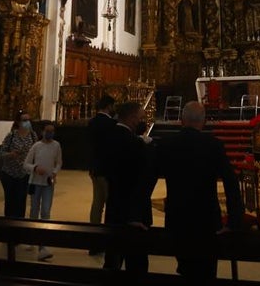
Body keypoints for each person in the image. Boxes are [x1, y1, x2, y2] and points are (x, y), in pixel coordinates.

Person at [149, 100, 244, 281]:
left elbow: (149, 178)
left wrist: (137, 214)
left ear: (181, 120)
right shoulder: (214, 145)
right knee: (207, 269)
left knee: (185, 265)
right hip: (207, 218)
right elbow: (231, 183)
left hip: (177, 216)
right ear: (204, 121)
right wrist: (233, 221)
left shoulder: (166, 144)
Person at [103, 101, 153, 278]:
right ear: (132, 118)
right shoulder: (134, 144)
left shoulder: (108, 137)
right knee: (136, 265)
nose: (143, 121)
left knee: (112, 261)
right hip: (134, 214)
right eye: (141, 118)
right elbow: (142, 180)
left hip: (114, 208)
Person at [24, 122, 63, 261]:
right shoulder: (36, 146)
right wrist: (35, 168)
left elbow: (59, 162)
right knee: (34, 210)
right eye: (47, 131)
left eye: (52, 131)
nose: (50, 133)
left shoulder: (56, 145)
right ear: (42, 131)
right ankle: (32, 237)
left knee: (46, 211)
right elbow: (26, 164)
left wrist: (54, 172)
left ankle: (44, 242)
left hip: (48, 183)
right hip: (35, 182)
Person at [87, 93, 117, 255]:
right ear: (108, 106)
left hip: (94, 168)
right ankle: (107, 238)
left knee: (97, 204)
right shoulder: (111, 124)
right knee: (110, 204)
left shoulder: (92, 122)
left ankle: (94, 239)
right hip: (107, 169)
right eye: (113, 106)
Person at [0, 112, 37, 219]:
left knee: (21, 201)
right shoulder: (11, 136)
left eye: (29, 120)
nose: (27, 122)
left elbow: (36, 153)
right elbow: (1, 153)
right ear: (19, 122)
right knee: (10, 202)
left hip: (24, 175)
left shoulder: (33, 135)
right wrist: (11, 154)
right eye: (24, 120)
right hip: (9, 173)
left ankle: (20, 225)